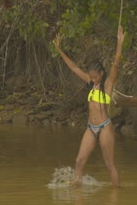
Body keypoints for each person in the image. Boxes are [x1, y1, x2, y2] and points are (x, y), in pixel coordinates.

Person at [53, 25, 125, 188]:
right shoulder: (89, 83)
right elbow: (73, 67)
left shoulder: (107, 85)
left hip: (105, 127)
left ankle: (118, 194)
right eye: (91, 77)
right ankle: (77, 194)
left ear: (101, 74)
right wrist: (59, 50)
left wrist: (119, 43)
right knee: (79, 161)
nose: (93, 80)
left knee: (109, 165)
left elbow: (115, 65)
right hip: (90, 128)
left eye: (95, 77)